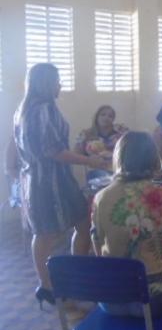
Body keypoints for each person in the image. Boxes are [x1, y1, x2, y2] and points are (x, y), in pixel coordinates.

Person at [14, 63, 106, 308]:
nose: (60, 84)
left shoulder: (30, 108)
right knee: (46, 234)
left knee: (83, 223)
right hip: (46, 182)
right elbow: (53, 150)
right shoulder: (40, 109)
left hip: (58, 178)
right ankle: (47, 286)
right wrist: (90, 160)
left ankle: (75, 276)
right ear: (45, 83)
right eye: (57, 80)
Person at [91, 132, 162, 317]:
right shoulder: (160, 193)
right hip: (152, 301)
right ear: (154, 159)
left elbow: (97, 244)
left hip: (110, 299)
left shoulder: (100, 197)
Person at [75, 105, 128, 180]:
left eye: (110, 116)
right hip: (96, 170)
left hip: (118, 169)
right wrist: (89, 159)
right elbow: (77, 154)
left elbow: (131, 147)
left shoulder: (119, 132)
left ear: (113, 119)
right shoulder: (85, 134)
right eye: (103, 114)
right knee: (105, 177)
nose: (106, 118)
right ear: (97, 116)